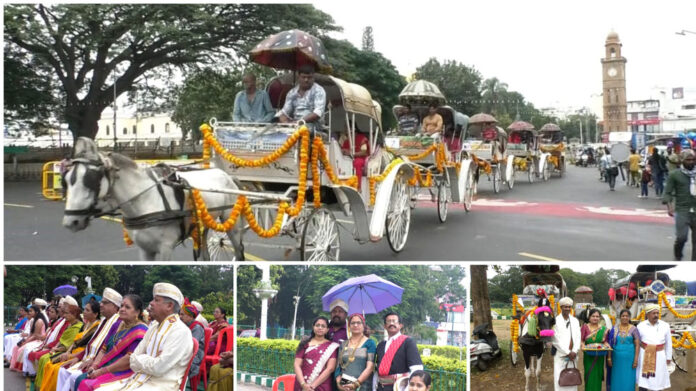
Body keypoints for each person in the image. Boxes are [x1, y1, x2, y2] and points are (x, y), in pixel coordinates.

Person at [96, 283, 193, 391]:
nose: (151, 303)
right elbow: (133, 359)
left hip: (160, 386)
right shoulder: (154, 326)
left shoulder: (180, 331)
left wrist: (142, 359)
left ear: (169, 306)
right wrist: (150, 359)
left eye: (156, 300)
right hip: (139, 379)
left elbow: (157, 368)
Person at [73, 294, 148, 390]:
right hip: (104, 365)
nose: (122, 309)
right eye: (122, 306)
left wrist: (101, 371)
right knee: (80, 379)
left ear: (137, 312)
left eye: (127, 307)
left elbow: (128, 360)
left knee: (89, 384)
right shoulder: (116, 325)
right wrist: (94, 366)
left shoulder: (140, 331)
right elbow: (103, 350)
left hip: (123, 369)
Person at [56, 287, 123, 391]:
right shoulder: (104, 321)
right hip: (87, 358)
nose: (101, 304)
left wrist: (93, 362)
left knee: (73, 376)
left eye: (105, 303)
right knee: (62, 370)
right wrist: (78, 357)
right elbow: (90, 345)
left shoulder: (118, 323)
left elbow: (108, 349)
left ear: (114, 307)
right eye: (102, 302)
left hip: (100, 363)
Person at [39, 299, 101, 391]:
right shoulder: (86, 324)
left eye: (87, 310)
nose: (84, 312)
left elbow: (80, 343)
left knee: (59, 369)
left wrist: (69, 354)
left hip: (81, 353)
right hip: (73, 352)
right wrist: (67, 352)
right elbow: (74, 342)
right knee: (50, 364)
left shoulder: (97, 326)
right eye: (84, 309)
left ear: (95, 314)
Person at [32, 296, 83, 384]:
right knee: (44, 359)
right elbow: (60, 339)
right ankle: (42, 384)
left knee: (47, 361)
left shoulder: (77, 326)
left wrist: (55, 349)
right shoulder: (68, 323)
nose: (64, 313)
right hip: (59, 348)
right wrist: (54, 347)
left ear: (74, 314)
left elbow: (69, 345)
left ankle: (46, 384)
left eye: (67, 312)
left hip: (68, 352)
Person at [375, 312, 423, 391]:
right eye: (388, 321)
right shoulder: (381, 345)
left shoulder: (408, 342)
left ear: (401, 325)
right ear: (385, 326)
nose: (391, 323)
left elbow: (417, 368)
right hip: (381, 388)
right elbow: (377, 370)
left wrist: (408, 389)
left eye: (394, 321)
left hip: (399, 388)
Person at [662, 149, 696, 260]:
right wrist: (669, 206)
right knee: (682, 237)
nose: (691, 162)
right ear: (682, 160)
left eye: (693, 159)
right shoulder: (675, 175)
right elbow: (667, 192)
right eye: (688, 160)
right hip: (682, 209)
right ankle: (678, 255)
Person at [294, 316, 339, 391]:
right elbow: (297, 365)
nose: (320, 328)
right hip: (302, 384)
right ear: (313, 327)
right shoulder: (305, 343)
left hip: (321, 386)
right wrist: (303, 384)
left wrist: (312, 386)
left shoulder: (331, 347)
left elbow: (330, 368)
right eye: (317, 325)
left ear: (327, 329)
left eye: (323, 326)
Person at [279, 64, 327, 132]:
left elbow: (317, 113)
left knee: (302, 129)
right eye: (303, 77)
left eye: (309, 77)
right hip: (295, 125)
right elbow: (284, 112)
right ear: (299, 77)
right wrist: (284, 122)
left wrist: (300, 122)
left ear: (313, 78)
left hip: (314, 126)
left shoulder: (319, 90)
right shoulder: (292, 93)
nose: (306, 80)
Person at [334, 313, 376, 391]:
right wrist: (339, 384)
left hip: (363, 386)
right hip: (344, 386)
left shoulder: (370, 343)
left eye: (358, 323)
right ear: (349, 326)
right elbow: (338, 367)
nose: (355, 325)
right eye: (353, 323)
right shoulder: (343, 344)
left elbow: (370, 367)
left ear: (363, 325)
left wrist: (356, 384)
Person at [636, 304, 672, 391]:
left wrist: (668, 357)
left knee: (658, 378)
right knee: (644, 379)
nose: (656, 315)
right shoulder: (640, 326)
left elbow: (669, 342)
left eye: (657, 313)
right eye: (653, 313)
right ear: (647, 314)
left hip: (659, 356)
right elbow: (637, 342)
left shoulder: (665, 325)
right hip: (645, 354)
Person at [551, 297, 582, 391]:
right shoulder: (555, 321)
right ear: (561, 307)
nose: (567, 309)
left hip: (573, 355)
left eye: (569, 307)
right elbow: (555, 340)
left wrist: (574, 351)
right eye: (565, 307)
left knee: (572, 378)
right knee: (560, 378)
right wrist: (567, 352)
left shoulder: (575, 321)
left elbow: (578, 337)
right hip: (561, 355)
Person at [608, 309, 640, 391]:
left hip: (629, 360)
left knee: (628, 378)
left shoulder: (634, 329)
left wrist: (636, 360)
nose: (625, 317)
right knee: (616, 378)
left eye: (627, 316)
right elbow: (609, 344)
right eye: (623, 316)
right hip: (616, 359)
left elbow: (637, 345)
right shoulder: (614, 328)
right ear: (620, 317)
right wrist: (609, 358)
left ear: (629, 317)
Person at [580, 308, 610, 391]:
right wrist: (582, 346)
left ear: (600, 318)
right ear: (589, 317)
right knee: (589, 376)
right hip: (588, 355)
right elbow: (582, 340)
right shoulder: (585, 327)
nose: (595, 318)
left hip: (599, 356)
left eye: (597, 316)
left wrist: (608, 346)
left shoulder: (603, 329)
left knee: (597, 376)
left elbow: (605, 342)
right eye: (593, 316)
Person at [180, 301, 205, 383]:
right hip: (184, 352)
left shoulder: (196, 327)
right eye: (180, 314)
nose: (180, 317)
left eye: (182, 315)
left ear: (190, 316)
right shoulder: (184, 325)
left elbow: (191, 347)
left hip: (194, 356)